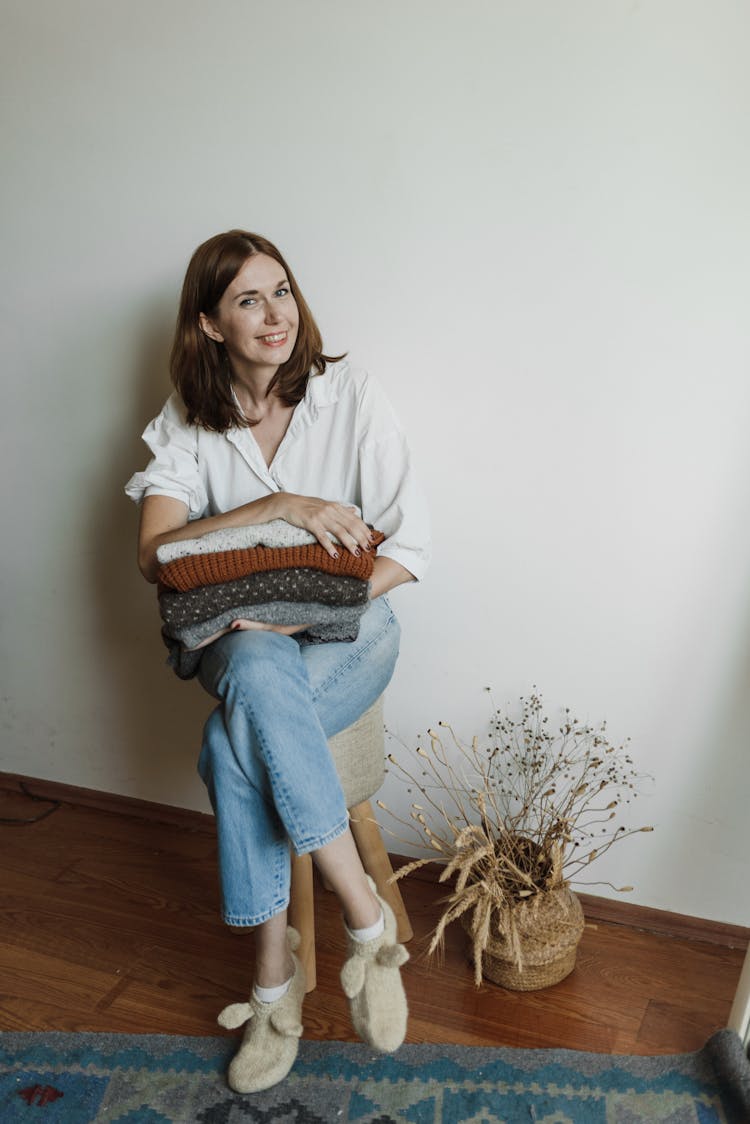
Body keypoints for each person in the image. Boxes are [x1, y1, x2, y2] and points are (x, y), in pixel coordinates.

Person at [125, 230, 430, 1093]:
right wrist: (279, 505)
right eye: (249, 300)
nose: (275, 315)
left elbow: (415, 546)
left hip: (352, 630)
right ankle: (366, 925)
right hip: (236, 644)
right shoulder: (189, 420)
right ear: (211, 324)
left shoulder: (352, 397)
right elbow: (155, 554)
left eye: (283, 291)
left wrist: (306, 610)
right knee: (253, 663)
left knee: (233, 740)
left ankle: (272, 982)